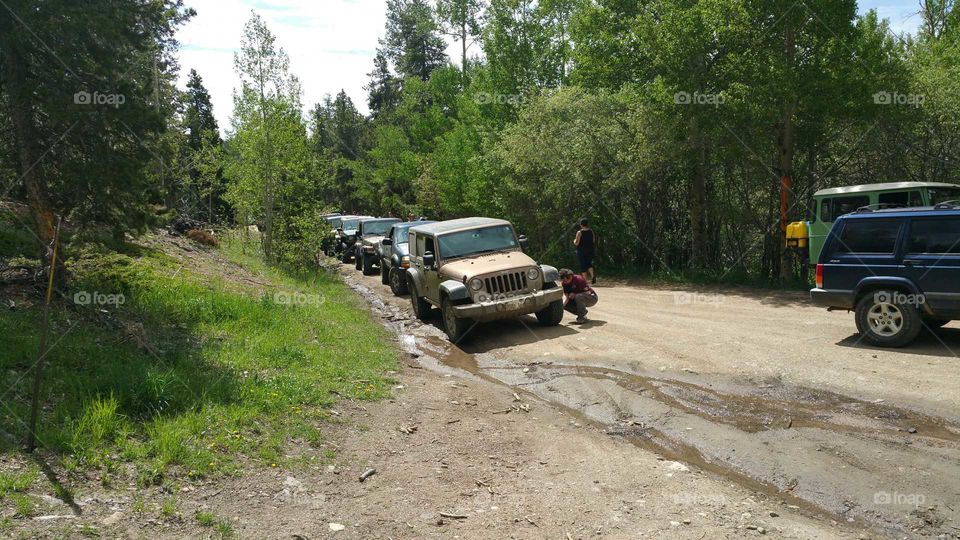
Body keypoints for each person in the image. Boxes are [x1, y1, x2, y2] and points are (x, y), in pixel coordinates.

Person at [573, 218, 598, 284]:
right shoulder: (591, 231)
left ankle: (585, 281)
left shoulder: (579, 232)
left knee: (583, 265)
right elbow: (593, 240)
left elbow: (577, 243)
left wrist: (574, 241)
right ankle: (593, 276)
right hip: (590, 250)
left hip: (581, 251)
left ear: (581, 224)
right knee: (588, 264)